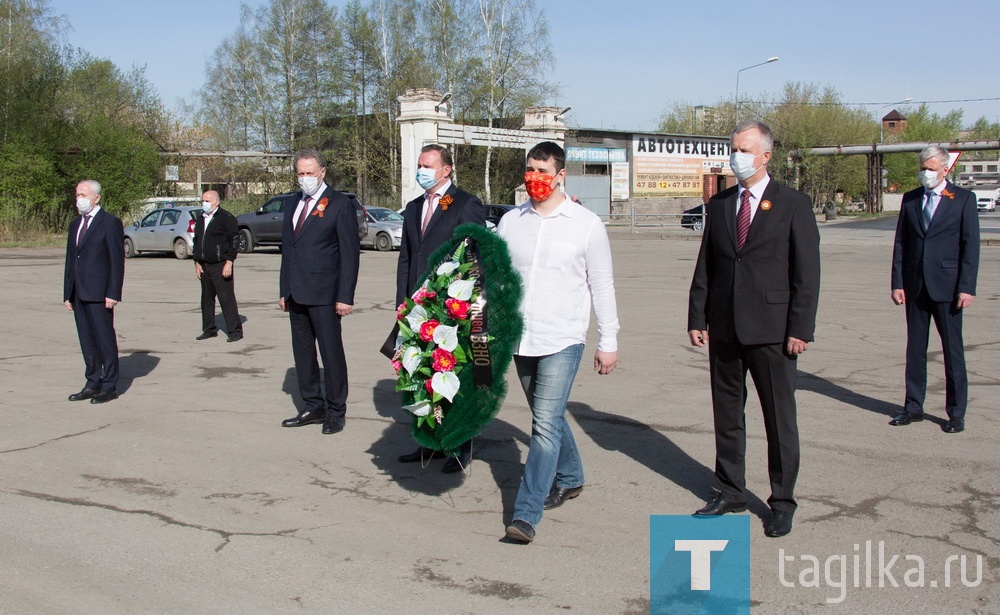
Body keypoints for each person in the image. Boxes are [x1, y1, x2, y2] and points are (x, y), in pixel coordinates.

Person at [687, 120, 820, 538]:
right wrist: (697, 316)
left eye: (743, 149)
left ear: (765, 155)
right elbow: (707, 263)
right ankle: (730, 490)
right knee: (727, 416)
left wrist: (800, 327)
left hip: (774, 331)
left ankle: (782, 501)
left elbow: (807, 273)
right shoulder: (723, 203)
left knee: (779, 420)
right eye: (733, 148)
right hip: (725, 328)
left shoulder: (793, 203)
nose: (735, 156)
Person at [497, 141, 619, 544]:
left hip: (563, 337)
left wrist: (608, 339)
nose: (535, 177)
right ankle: (571, 476)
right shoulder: (512, 221)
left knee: (543, 425)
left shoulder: (586, 224)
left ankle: (526, 515)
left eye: (543, 171)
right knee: (547, 415)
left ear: (561, 175)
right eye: (530, 169)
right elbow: (498, 277)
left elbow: (601, 284)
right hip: (520, 337)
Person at [395, 144, 486, 473]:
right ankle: (429, 442)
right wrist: (403, 304)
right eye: (419, 165)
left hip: (450, 308)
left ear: (446, 169)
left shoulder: (465, 204)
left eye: (428, 165)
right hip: (417, 309)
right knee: (420, 375)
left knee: (453, 378)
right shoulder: (413, 206)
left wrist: (468, 306)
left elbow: (475, 256)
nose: (422, 170)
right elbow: (407, 258)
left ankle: (460, 446)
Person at [890, 146, 979, 434]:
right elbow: (901, 244)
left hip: (948, 287)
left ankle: (956, 413)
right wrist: (897, 283)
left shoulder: (963, 199)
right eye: (922, 167)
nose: (925, 172)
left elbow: (970, 247)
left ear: (944, 169)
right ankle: (913, 407)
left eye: (930, 168)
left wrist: (966, 287)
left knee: (953, 353)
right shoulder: (911, 199)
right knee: (915, 350)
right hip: (915, 286)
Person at [278, 149, 361, 435]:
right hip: (296, 292)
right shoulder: (292, 203)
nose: (305, 178)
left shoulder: (339, 204)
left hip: (326, 294)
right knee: (302, 353)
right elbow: (288, 248)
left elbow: (349, 254)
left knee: (330, 353)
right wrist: (283, 288)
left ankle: (336, 410)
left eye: (310, 173)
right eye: (301, 173)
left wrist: (345, 295)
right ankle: (313, 404)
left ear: (322, 172)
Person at [64, 179, 125, 404]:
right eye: (77, 195)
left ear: (96, 198)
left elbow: (116, 262)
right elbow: (71, 260)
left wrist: (113, 293)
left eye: (83, 195)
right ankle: (92, 381)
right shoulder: (75, 224)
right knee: (87, 340)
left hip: (100, 293)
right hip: (79, 292)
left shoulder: (110, 223)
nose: (78, 199)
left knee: (103, 338)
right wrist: (67, 292)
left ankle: (109, 385)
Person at [193, 190, 242, 342]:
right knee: (206, 299)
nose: (204, 203)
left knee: (226, 298)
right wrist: (196, 261)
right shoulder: (201, 218)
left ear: (217, 202)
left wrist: (229, 261)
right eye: (203, 200)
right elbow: (197, 240)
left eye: (207, 201)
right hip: (204, 265)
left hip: (221, 264)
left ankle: (235, 331)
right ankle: (209, 329)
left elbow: (234, 239)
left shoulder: (226, 218)